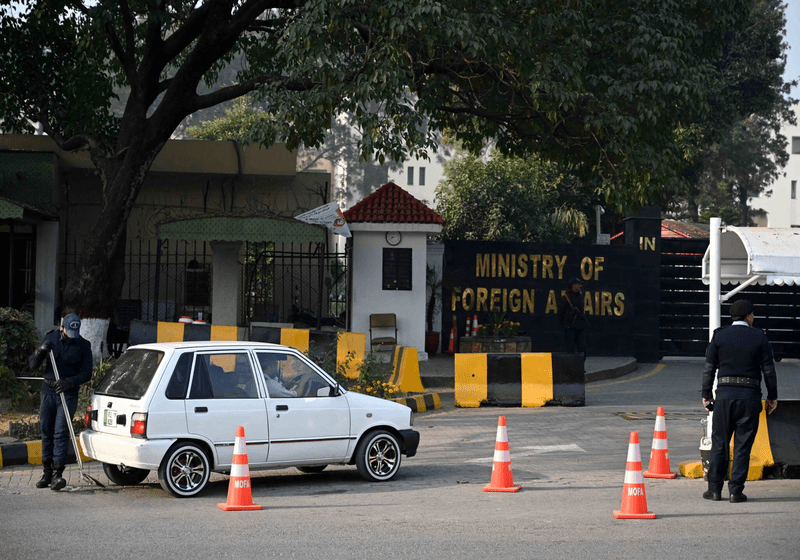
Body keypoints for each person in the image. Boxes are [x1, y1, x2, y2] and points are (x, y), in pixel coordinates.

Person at [701, 299, 778, 503]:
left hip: (724, 396)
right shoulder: (759, 337)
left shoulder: (719, 335)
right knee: (743, 446)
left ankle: (714, 489)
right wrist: (772, 396)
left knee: (720, 444)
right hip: (750, 397)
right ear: (748, 317)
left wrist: (706, 393)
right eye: (752, 315)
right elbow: (769, 371)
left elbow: (709, 368)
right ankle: (736, 491)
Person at [28, 313, 93, 491]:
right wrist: (40, 351)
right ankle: (46, 473)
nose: (72, 336)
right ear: (62, 327)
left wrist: (70, 382)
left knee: (61, 432)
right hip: (48, 391)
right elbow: (32, 364)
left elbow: (87, 373)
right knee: (46, 431)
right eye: (69, 331)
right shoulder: (50, 338)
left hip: (68, 393)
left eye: (75, 331)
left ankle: (58, 474)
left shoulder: (83, 345)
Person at [557, 277, 589, 355]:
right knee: (570, 349)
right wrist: (566, 324)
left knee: (582, 348)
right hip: (570, 327)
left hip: (579, 326)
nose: (579, 286)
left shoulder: (580, 297)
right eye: (577, 285)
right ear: (573, 286)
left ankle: (580, 365)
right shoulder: (565, 298)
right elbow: (560, 313)